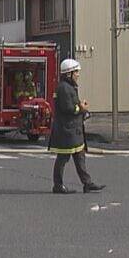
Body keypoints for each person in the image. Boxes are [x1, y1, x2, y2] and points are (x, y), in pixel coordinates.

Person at [49, 59, 105, 194]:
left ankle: (87, 183)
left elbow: (72, 104)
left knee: (80, 156)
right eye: (76, 72)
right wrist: (81, 108)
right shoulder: (64, 88)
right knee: (63, 158)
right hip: (67, 130)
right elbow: (68, 108)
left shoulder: (69, 87)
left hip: (73, 130)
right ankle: (58, 185)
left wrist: (80, 107)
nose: (78, 75)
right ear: (69, 73)